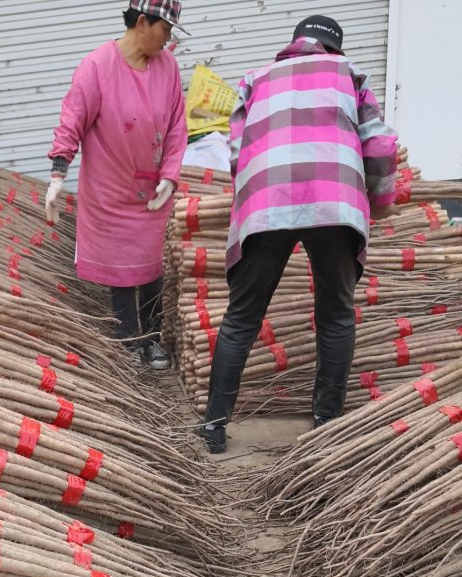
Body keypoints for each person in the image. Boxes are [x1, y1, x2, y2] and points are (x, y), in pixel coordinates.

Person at [199, 15, 398, 454]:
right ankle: (326, 421)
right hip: (335, 203)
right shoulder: (350, 75)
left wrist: (251, 195)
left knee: (241, 318)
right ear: (334, 48)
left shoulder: (256, 79)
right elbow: (379, 144)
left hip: (269, 200)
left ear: (294, 45)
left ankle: (214, 427)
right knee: (336, 314)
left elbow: (236, 150)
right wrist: (380, 204)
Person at [45, 0, 188, 370]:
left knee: (152, 265)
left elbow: (176, 127)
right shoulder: (97, 66)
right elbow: (72, 119)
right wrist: (58, 173)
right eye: (165, 30)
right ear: (143, 22)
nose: (167, 39)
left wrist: (170, 176)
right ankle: (128, 340)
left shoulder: (167, 67)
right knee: (121, 270)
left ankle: (152, 338)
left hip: (151, 189)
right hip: (109, 189)